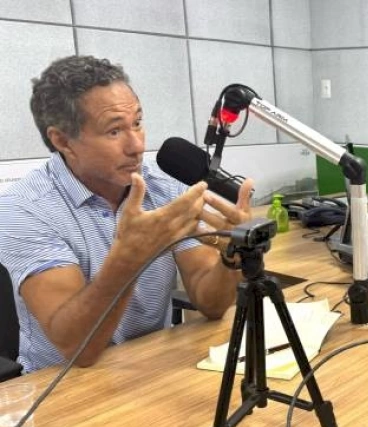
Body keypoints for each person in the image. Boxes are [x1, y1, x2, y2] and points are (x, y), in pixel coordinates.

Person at [0, 55, 253, 372]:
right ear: (63, 140)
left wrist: (233, 257)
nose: (137, 146)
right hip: (63, 390)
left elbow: (211, 302)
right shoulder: (24, 209)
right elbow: (79, 349)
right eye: (114, 131)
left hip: (148, 368)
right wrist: (129, 256)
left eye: (137, 123)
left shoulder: (164, 188)